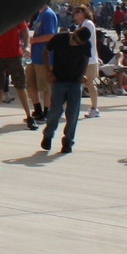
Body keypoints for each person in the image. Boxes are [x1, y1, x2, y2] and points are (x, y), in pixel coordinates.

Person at [38, 17, 89, 155]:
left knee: (72, 114)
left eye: (80, 43)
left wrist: (83, 74)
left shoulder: (85, 44)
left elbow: (86, 58)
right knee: (55, 110)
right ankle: (48, 135)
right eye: (76, 41)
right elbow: (45, 51)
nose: (77, 44)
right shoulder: (60, 38)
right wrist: (48, 71)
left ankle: (68, 141)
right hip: (59, 79)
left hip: (75, 81)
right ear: (74, 34)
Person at [26, 1, 59, 126]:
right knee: (30, 84)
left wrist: (33, 40)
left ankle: (46, 112)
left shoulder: (48, 14)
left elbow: (51, 35)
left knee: (46, 87)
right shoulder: (40, 14)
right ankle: (38, 109)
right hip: (36, 57)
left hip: (45, 57)